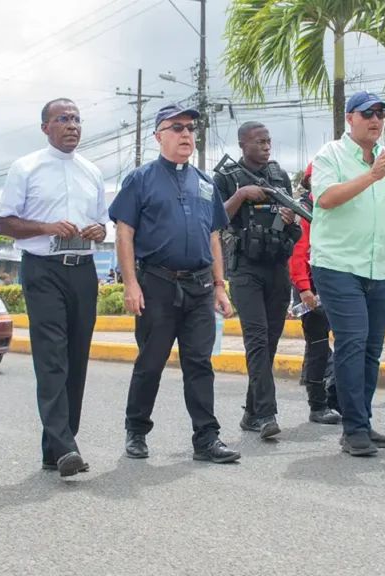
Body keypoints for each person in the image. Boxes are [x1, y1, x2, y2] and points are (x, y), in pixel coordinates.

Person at [108, 103, 240, 464]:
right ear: (158, 136)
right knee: (151, 362)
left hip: (199, 287)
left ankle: (207, 439)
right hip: (156, 285)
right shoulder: (140, 179)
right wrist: (130, 284)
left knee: (199, 363)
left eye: (190, 128)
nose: (186, 134)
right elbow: (124, 233)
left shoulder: (204, 182)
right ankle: (136, 429)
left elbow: (213, 237)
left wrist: (219, 285)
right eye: (177, 127)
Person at [0, 98, 107, 480]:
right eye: (63, 119)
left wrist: (99, 230)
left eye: (76, 119)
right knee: (52, 358)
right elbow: (4, 223)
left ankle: (56, 449)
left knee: (76, 358)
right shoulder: (26, 167)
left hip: (84, 270)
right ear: (45, 127)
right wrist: (46, 227)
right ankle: (66, 446)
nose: (72, 125)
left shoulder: (92, 172)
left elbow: (103, 223)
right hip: (43, 270)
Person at [309, 91, 385, 457]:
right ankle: (353, 429)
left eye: (381, 113)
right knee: (352, 344)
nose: (376, 119)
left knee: (372, 351)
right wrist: (373, 176)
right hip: (337, 265)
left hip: (378, 267)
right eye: (367, 113)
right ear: (350, 118)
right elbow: (326, 198)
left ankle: (363, 420)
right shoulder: (330, 155)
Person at [214, 122, 302, 438]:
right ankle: (266, 414)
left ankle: (251, 413)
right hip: (245, 269)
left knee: (271, 341)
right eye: (259, 141)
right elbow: (215, 218)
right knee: (257, 339)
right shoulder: (226, 177)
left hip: (277, 266)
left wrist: (290, 219)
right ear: (242, 145)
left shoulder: (279, 176)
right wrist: (241, 194)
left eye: (268, 141)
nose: (266, 146)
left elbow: (293, 226)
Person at [288, 162, 341, 423]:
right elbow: (297, 252)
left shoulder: (334, 206)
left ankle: (336, 398)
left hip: (337, 281)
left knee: (346, 342)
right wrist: (304, 288)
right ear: (309, 181)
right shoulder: (303, 210)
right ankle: (318, 405)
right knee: (318, 346)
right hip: (311, 286)